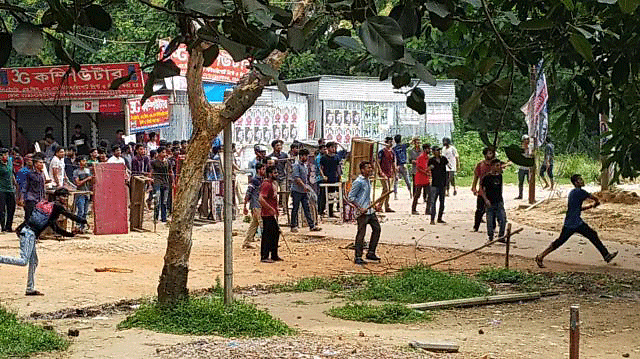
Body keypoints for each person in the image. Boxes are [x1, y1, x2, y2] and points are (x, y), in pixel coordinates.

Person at [0, 188, 87, 296]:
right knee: (23, 261)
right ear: (58, 197)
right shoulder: (57, 207)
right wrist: (83, 221)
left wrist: (70, 234)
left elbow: (55, 228)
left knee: (34, 261)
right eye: (64, 196)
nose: (65, 198)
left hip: (28, 234)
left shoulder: (48, 208)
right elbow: (70, 216)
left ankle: (30, 289)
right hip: (29, 234)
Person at [535, 174, 618, 268]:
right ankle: (606, 255)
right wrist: (596, 203)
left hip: (571, 222)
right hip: (575, 223)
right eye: (580, 180)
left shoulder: (572, 192)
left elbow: (577, 208)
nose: (582, 181)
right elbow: (595, 198)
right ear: (576, 183)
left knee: (561, 241)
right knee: (591, 235)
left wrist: (590, 206)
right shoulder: (580, 192)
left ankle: (541, 256)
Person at [348, 161, 382, 265]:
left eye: (371, 168)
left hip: (370, 211)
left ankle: (371, 252)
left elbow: (366, 197)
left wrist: (374, 205)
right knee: (361, 234)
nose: (371, 170)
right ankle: (358, 256)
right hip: (362, 213)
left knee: (377, 229)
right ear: (362, 170)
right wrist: (360, 207)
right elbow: (350, 197)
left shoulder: (368, 181)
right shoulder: (358, 182)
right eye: (368, 168)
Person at [290, 149, 321, 233]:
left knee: (306, 208)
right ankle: (293, 226)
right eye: (306, 156)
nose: (307, 158)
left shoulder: (304, 166)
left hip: (303, 191)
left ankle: (312, 225)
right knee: (295, 208)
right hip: (297, 190)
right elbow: (296, 178)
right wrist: (304, 186)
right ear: (301, 156)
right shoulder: (296, 165)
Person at [258, 166, 282, 263]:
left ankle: (274, 255)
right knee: (267, 235)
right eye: (274, 173)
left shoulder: (272, 184)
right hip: (267, 214)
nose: (276, 174)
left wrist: (275, 210)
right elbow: (261, 199)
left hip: (271, 213)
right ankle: (264, 256)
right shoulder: (266, 185)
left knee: (275, 233)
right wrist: (270, 208)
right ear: (269, 174)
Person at [481, 159, 507, 242]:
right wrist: (486, 200)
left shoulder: (500, 176)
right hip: (490, 202)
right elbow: (482, 189)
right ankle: (490, 236)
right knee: (490, 221)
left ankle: (501, 236)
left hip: (499, 201)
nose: (499, 167)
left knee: (503, 219)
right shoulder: (487, 177)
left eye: (499, 165)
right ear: (492, 166)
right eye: (497, 166)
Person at [471, 147, 496, 232]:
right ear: (485, 155)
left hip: (492, 191)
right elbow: (476, 176)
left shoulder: (495, 165)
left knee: (493, 210)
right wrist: (474, 187)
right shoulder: (480, 165)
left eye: (492, 153)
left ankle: (493, 227)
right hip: (482, 190)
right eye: (489, 153)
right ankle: (476, 226)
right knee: (479, 210)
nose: (491, 155)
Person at [243, 163, 265, 249]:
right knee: (262, 223)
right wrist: (245, 205)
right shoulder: (255, 181)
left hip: (258, 205)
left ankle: (247, 241)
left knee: (254, 224)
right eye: (263, 169)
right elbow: (248, 192)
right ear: (259, 170)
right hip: (256, 205)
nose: (264, 171)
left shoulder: (261, 180)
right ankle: (266, 242)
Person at [20, 156, 47, 221]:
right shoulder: (30, 173)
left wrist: (44, 198)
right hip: (31, 198)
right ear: (35, 164)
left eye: (42, 163)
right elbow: (25, 186)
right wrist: (22, 198)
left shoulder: (42, 174)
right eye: (40, 163)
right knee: (28, 217)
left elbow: (43, 187)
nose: (42, 164)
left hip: (39, 199)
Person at [319, 142, 341, 217]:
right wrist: (323, 176)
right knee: (323, 196)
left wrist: (339, 176)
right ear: (328, 148)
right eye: (332, 147)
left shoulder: (336, 157)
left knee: (331, 196)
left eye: (334, 147)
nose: (333, 149)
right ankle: (321, 212)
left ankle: (331, 212)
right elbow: (320, 168)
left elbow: (338, 167)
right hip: (326, 179)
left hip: (334, 178)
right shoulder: (324, 158)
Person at [428, 145, 448, 225]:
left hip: (442, 183)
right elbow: (428, 168)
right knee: (433, 202)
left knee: (442, 202)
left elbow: (446, 169)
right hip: (435, 183)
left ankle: (440, 218)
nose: (439, 152)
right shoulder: (431, 160)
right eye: (437, 150)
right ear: (433, 152)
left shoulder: (443, 159)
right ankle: (432, 218)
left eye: (439, 150)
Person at [73, 156, 93, 233]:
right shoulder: (76, 172)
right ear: (79, 162)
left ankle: (82, 227)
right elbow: (78, 183)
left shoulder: (88, 171)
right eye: (83, 161)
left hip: (87, 193)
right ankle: (78, 226)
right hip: (80, 193)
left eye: (85, 161)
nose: (85, 162)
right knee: (80, 211)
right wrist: (87, 179)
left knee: (85, 211)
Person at [151, 147, 171, 223]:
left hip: (166, 183)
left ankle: (164, 218)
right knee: (157, 200)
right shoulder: (154, 162)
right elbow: (151, 172)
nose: (165, 154)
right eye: (163, 152)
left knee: (164, 201)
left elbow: (170, 171)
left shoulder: (168, 162)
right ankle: (156, 218)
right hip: (157, 182)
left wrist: (172, 182)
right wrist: (150, 181)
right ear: (159, 153)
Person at [411, 144, 431, 215]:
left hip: (426, 178)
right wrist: (425, 172)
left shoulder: (427, 157)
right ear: (425, 149)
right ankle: (413, 209)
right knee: (417, 194)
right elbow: (418, 168)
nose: (430, 150)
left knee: (430, 194)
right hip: (420, 178)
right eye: (428, 149)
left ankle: (428, 210)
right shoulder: (420, 157)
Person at [377, 137, 396, 212]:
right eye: (389, 142)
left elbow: (393, 163)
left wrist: (395, 172)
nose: (391, 143)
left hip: (389, 172)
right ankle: (379, 205)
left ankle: (386, 206)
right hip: (383, 173)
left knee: (388, 190)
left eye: (392, 142)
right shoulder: (382, 152)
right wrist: (380, 171)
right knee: (386, 189)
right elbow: (378, 162)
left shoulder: (392, 152)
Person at [0, 148, 17, 232]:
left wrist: (15, 184)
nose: (5, 156)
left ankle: (8, 226)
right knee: (2, 209)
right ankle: (3, 227)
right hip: (1, 189)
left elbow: (12, 172)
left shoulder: (10, 161)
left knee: (11, 208)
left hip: (10, 189)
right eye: (3, 155)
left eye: (6, 154)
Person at [393, 134, 412, 200]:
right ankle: (410, 194)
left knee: (396, 181)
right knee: (407, 179)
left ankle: (395, 195)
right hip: (403, 165)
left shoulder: (394, 149)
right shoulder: (403, 146)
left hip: (397, 165)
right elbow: (410, 143)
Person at [516, 135, 532, 200]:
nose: (526, 141)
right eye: (525, 139)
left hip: (528, 168)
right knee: (520, 182)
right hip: (521, 167)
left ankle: (530, 196)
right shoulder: (520, 149)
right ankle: (520, 195)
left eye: (527, 139)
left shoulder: (530, 148)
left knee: (530, 182)